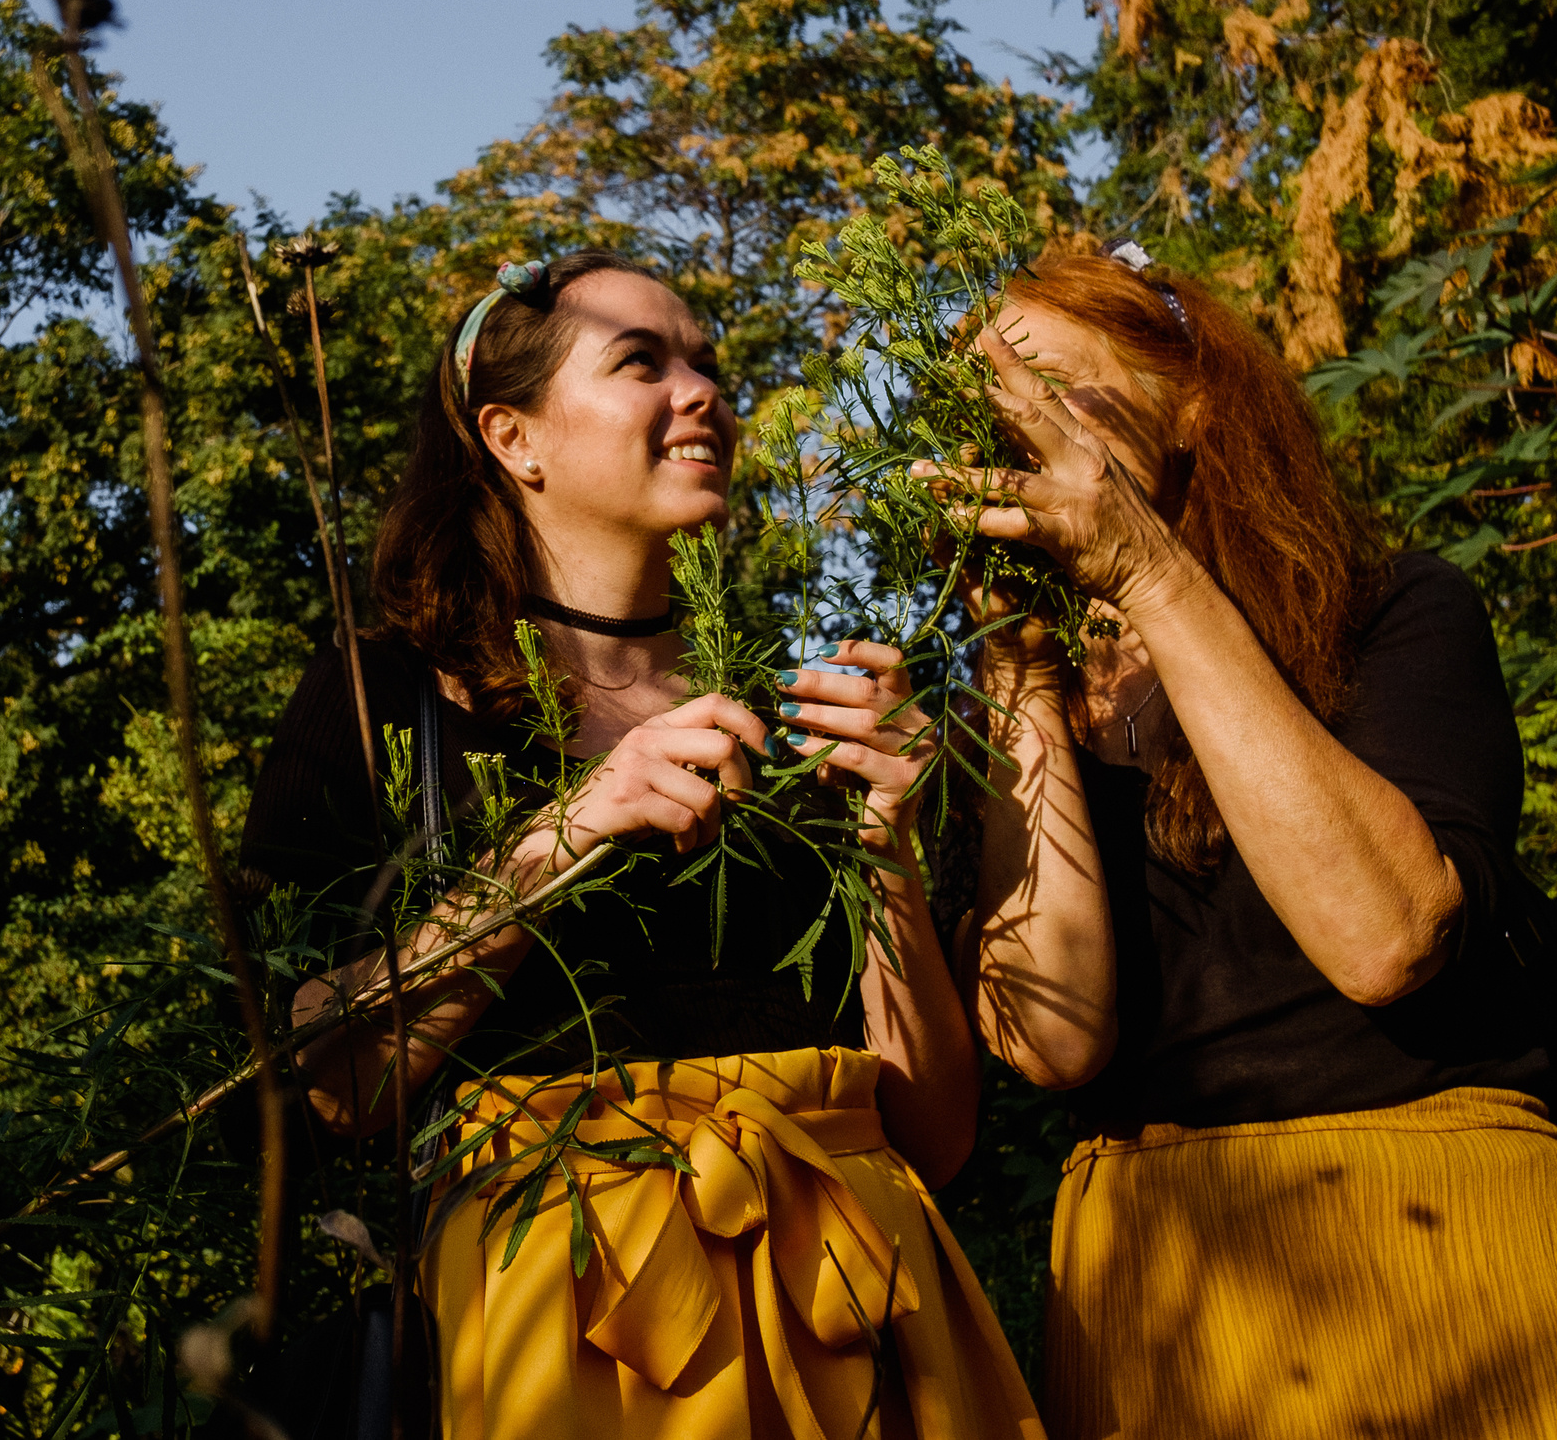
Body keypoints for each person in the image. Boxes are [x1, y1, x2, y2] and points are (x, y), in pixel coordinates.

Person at [240, 250, 1045, 1440]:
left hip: (855, 1317)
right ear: (513, 439)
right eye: (641, 362)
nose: (703, 391)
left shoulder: (793, 714)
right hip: (563, 1325)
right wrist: (561, 837)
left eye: (708, 364)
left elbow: (934, 1135)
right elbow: (328, 1084)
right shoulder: (387, 700)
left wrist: (887, 845)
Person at [930, 247, 1557, 1438]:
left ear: (1197, 407)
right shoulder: (1014, 703)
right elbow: (1050, 1041)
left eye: (1053, 388)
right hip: (1156, 1280)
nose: (1020, 434)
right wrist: (1015, 664)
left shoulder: (1386, 613)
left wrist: (1144, 573)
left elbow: (1385, 937)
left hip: (1434, 1237)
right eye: (988, 412)